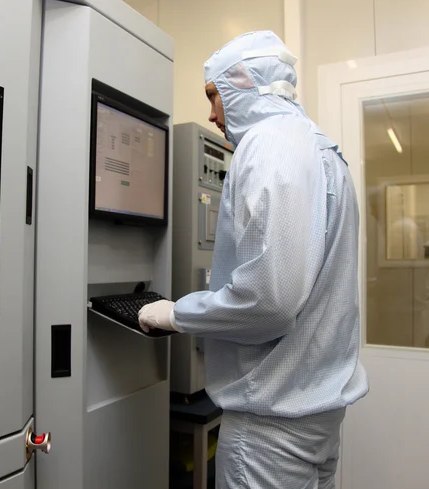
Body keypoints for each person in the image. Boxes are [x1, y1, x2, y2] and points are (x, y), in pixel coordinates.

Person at [138, 31, 369, 489]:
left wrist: (173, 313)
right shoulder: (319, 147)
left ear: (245, 84)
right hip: (318, 412)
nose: (211, 114)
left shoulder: (268, 146)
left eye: (214, 96)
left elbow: (269, 300)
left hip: (272, 425)